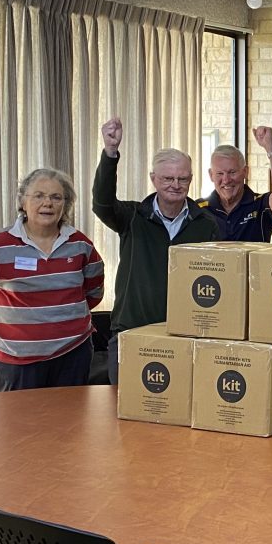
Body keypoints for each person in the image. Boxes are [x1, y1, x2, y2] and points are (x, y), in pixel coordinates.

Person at [0, 169, 104, 391]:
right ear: (22, 202)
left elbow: (93, 293)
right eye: (38, 195)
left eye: (56, 197)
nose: (47, 203)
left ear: (65, 205)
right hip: (15, 362)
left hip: (72, 355)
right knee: (16, 426)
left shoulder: (82, 245)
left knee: (70, 425)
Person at [92, 117, 220, 384]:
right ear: (153, 179)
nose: (175, 184)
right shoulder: (132, 217)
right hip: (131, 332)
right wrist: (110, 153)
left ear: (191, 179)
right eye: (167, 178)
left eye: (182, 178)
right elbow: (102, 203)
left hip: (186, 336)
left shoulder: (207, 225)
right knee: (123, 415)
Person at [199, 126, 272, 242]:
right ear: (211, 175)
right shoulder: (199, 209)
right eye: (219, 173)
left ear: (245, 172)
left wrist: (270, 148)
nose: (226, 180)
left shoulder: (260, 205)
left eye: (232, 172)